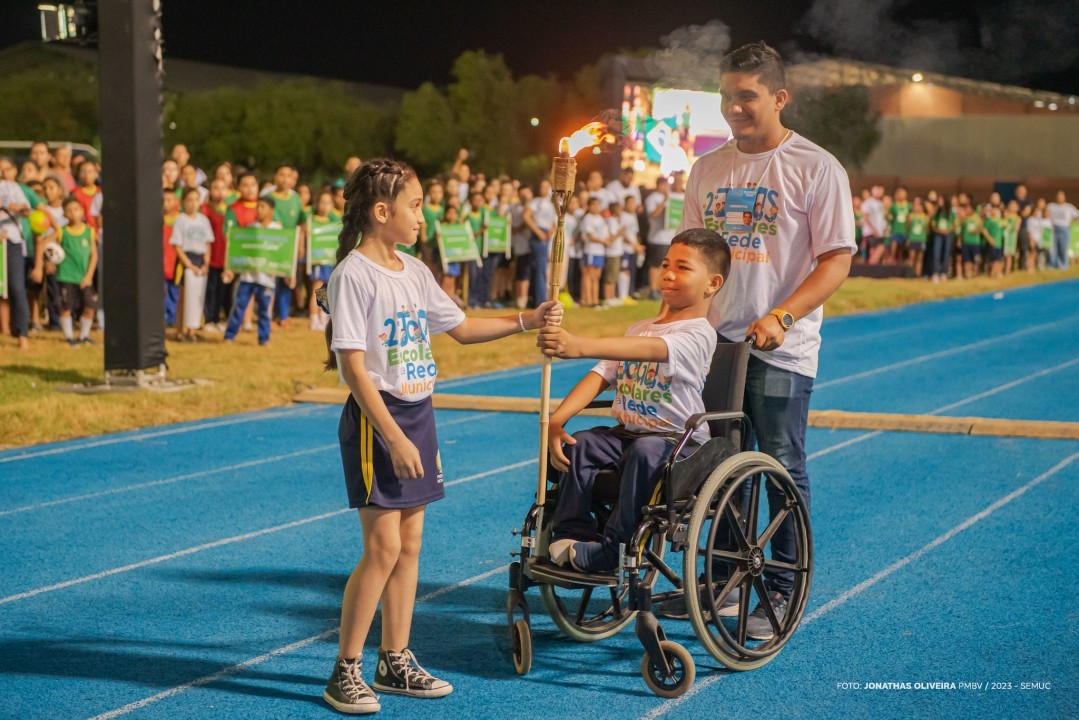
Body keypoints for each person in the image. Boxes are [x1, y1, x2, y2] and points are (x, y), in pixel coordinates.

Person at [319, 158, 561, 713]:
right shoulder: (353, 275)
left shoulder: (414, 270)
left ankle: (395, 659)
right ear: (382, 212)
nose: (422, 216)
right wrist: (395, 439)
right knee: (380, 550)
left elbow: (463, 327)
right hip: (378, 420)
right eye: (415, 205)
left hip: (418, 413)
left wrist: (529, 318)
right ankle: (344, 671)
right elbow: (354, 369)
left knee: (410, 547)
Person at [675, 42, 855, 638]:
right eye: (726, 96)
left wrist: (783, 315)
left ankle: (780, 585)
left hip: (781, 349)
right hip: (714, 344)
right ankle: (724, 583)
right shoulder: (707, 168)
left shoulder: (816, 166)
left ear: (779, 98)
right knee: (715, 467)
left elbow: (834, 260)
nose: (732, 107)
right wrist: (673, 327)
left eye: (746, 96)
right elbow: (690, 262)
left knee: (779, 464)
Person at [540, 228, 729, 571]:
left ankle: (614, 550)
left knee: (646, 451)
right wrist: (557, 420)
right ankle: (569, 534)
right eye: (666, 264)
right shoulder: (639, 327)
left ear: (712, 283)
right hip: (629, 436)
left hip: (678, 445)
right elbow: (601, 375)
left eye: (683, 268)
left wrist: (578, 345)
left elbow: (652, 350)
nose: (668, 274)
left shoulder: (700, 334)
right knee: (580, 444)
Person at [224, 196, 289, 346]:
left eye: (263, 207)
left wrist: (285, 272)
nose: (259, 210)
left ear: (271, 210)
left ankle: (264, 338)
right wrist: (232, 268)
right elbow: (240, 251)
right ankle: (229, 335)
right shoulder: (250, 228)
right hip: (248, 277)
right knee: (239, 307)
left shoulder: (278, 231)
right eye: (257, 207)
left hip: (266, 279)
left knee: (264, 310)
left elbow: (281, 254)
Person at [171, 187, 215, 341]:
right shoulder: (180, 219)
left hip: (200, 260)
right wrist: (188, 264)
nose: (193, 203)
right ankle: (179, 331)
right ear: (183, 202)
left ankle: (192, 330)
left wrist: (205, 264)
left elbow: (208, 244)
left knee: (197, 297)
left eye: (196, 200)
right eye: (189, 200)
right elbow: (177, 245)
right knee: (184, 298)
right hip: (186, 261)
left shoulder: (203, 220)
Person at [55, 196, 98, 346]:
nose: (73, 213)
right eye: (69, 211)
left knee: (90, 306)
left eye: (76, 209)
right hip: (66, 276)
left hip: (84, 277)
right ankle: (69, 337)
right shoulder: (62, 232)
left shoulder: (89, 232)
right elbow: (44, 244)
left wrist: (89, 275)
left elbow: (94, 255)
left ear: (82, 211)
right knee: (66, 307)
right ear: (65, 214)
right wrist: (47, 262)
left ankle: (83, 335)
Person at [0, 174, 31, 348]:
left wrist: (18, 207)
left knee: (16, 287)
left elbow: (27, 211)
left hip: (11, 242)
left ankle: (22, 333)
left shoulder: (11, 187)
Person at [525, 179, 557, 306]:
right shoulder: (536, 202)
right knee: (539, 267)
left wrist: (551, 230)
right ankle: (540, 300)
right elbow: (526, 216)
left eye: (547, 186)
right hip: (539, 236)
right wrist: (538, 231)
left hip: (547, 235)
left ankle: (539, 297)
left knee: (543, 267)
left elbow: (554, 222)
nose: (544, 189)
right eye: (542, 186)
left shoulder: (551, 204)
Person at [644, 176, 676, 299]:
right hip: (657, 237)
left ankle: (659, 288)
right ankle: (652, 290)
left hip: (669, 237)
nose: (667, 188)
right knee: (655, 265)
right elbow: (653, 214)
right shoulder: (652, 198)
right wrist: (664, 202)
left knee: (664, 266)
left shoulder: (669, 198)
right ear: (659, 185)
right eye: (665, 185)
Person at [578, 196, 609, 308]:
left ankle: (595, 299)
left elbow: (606, 234)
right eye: (593, 205)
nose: (596, 207)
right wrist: (603, 241)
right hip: (591, 250)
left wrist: (606, 241)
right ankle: (587, 299)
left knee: (596, 276)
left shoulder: (600, 219)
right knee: (588, 274)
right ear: (589, 206)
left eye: (598, 205)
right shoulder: (588, 218)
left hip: (600, 251)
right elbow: (590, 235)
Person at [1047, 191, 1078, 270]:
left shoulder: (1068, 207)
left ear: (1064, 197)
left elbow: (1077, 214)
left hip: (1064, 229)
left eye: (1061, 196)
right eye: (1058, 196)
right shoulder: (1051, 206)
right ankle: (1052, 265)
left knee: (1063, 248)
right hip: (1053, 229)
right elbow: (1045, 214)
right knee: (1053, 248)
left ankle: (1063, 265)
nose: (1059, 198)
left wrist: (1071, 222)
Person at [929, 195, 957, 282]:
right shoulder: (937, 212)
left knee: (946, 254)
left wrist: (948, 231)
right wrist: (937, 230)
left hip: (948, 235)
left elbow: (954, 225)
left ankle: (944, 273)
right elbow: (932, 223)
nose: (939, 202)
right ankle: (935, 273)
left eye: (941, 200)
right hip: (938, 235)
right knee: (936, 253)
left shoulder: (951, 213)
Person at [906, 196, 929, 277]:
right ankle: (910, 274)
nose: (918, 207)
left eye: (920, 205)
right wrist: (908, 238)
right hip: (912, 238)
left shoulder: (925, 217)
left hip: (921, 239)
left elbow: (926, 229)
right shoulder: (911, 216)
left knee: (920, 258)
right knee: (911, 257)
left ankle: (917, 274)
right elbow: (908, 227)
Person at [959, 205, 982, 279]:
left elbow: (980, 228)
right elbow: (961, 229)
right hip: (966, 242)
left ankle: (975, 273)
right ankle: (967, 274)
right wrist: (960, 240)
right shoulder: (964, 218)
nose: (966, 211)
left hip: (975, 242)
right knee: (967, 259)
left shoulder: (977, 217)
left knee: (975, 259)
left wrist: (976, 231)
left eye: (968, 209)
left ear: (972, 209)